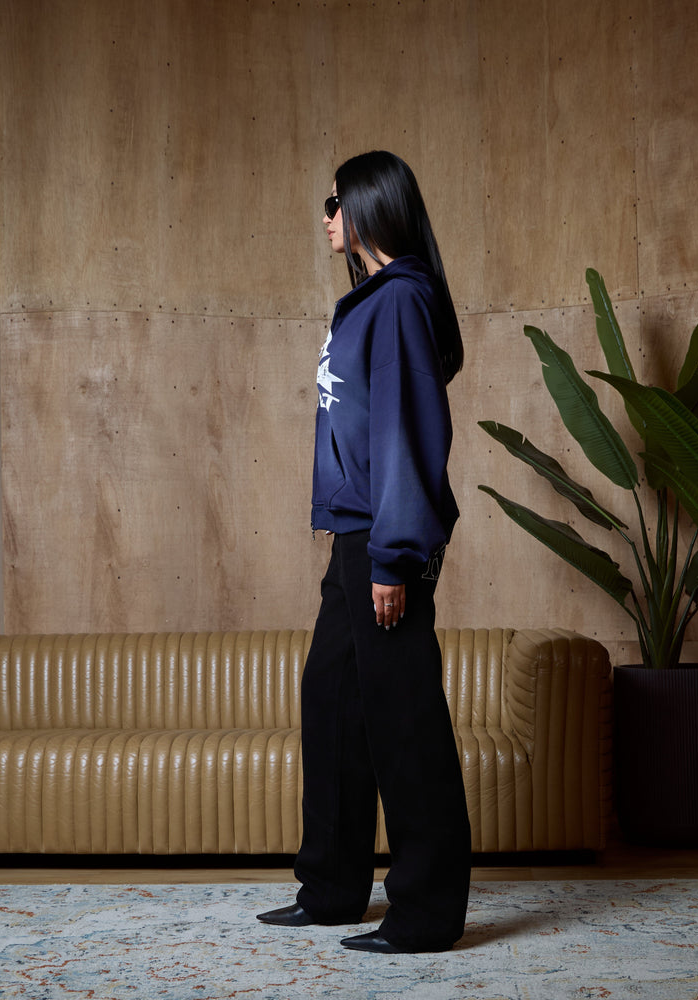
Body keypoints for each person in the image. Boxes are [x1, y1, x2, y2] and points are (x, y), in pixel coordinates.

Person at [257, 150, 471, 954]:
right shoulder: (370, 302)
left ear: (369, 206)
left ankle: (425, 912)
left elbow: (405, 432)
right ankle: (332, 889)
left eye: (334, 202)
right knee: (333, 701)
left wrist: (394, 556)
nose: (325, 217)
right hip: (353, 535)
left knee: (402, 718)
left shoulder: (401, 300)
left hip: (384, 539)